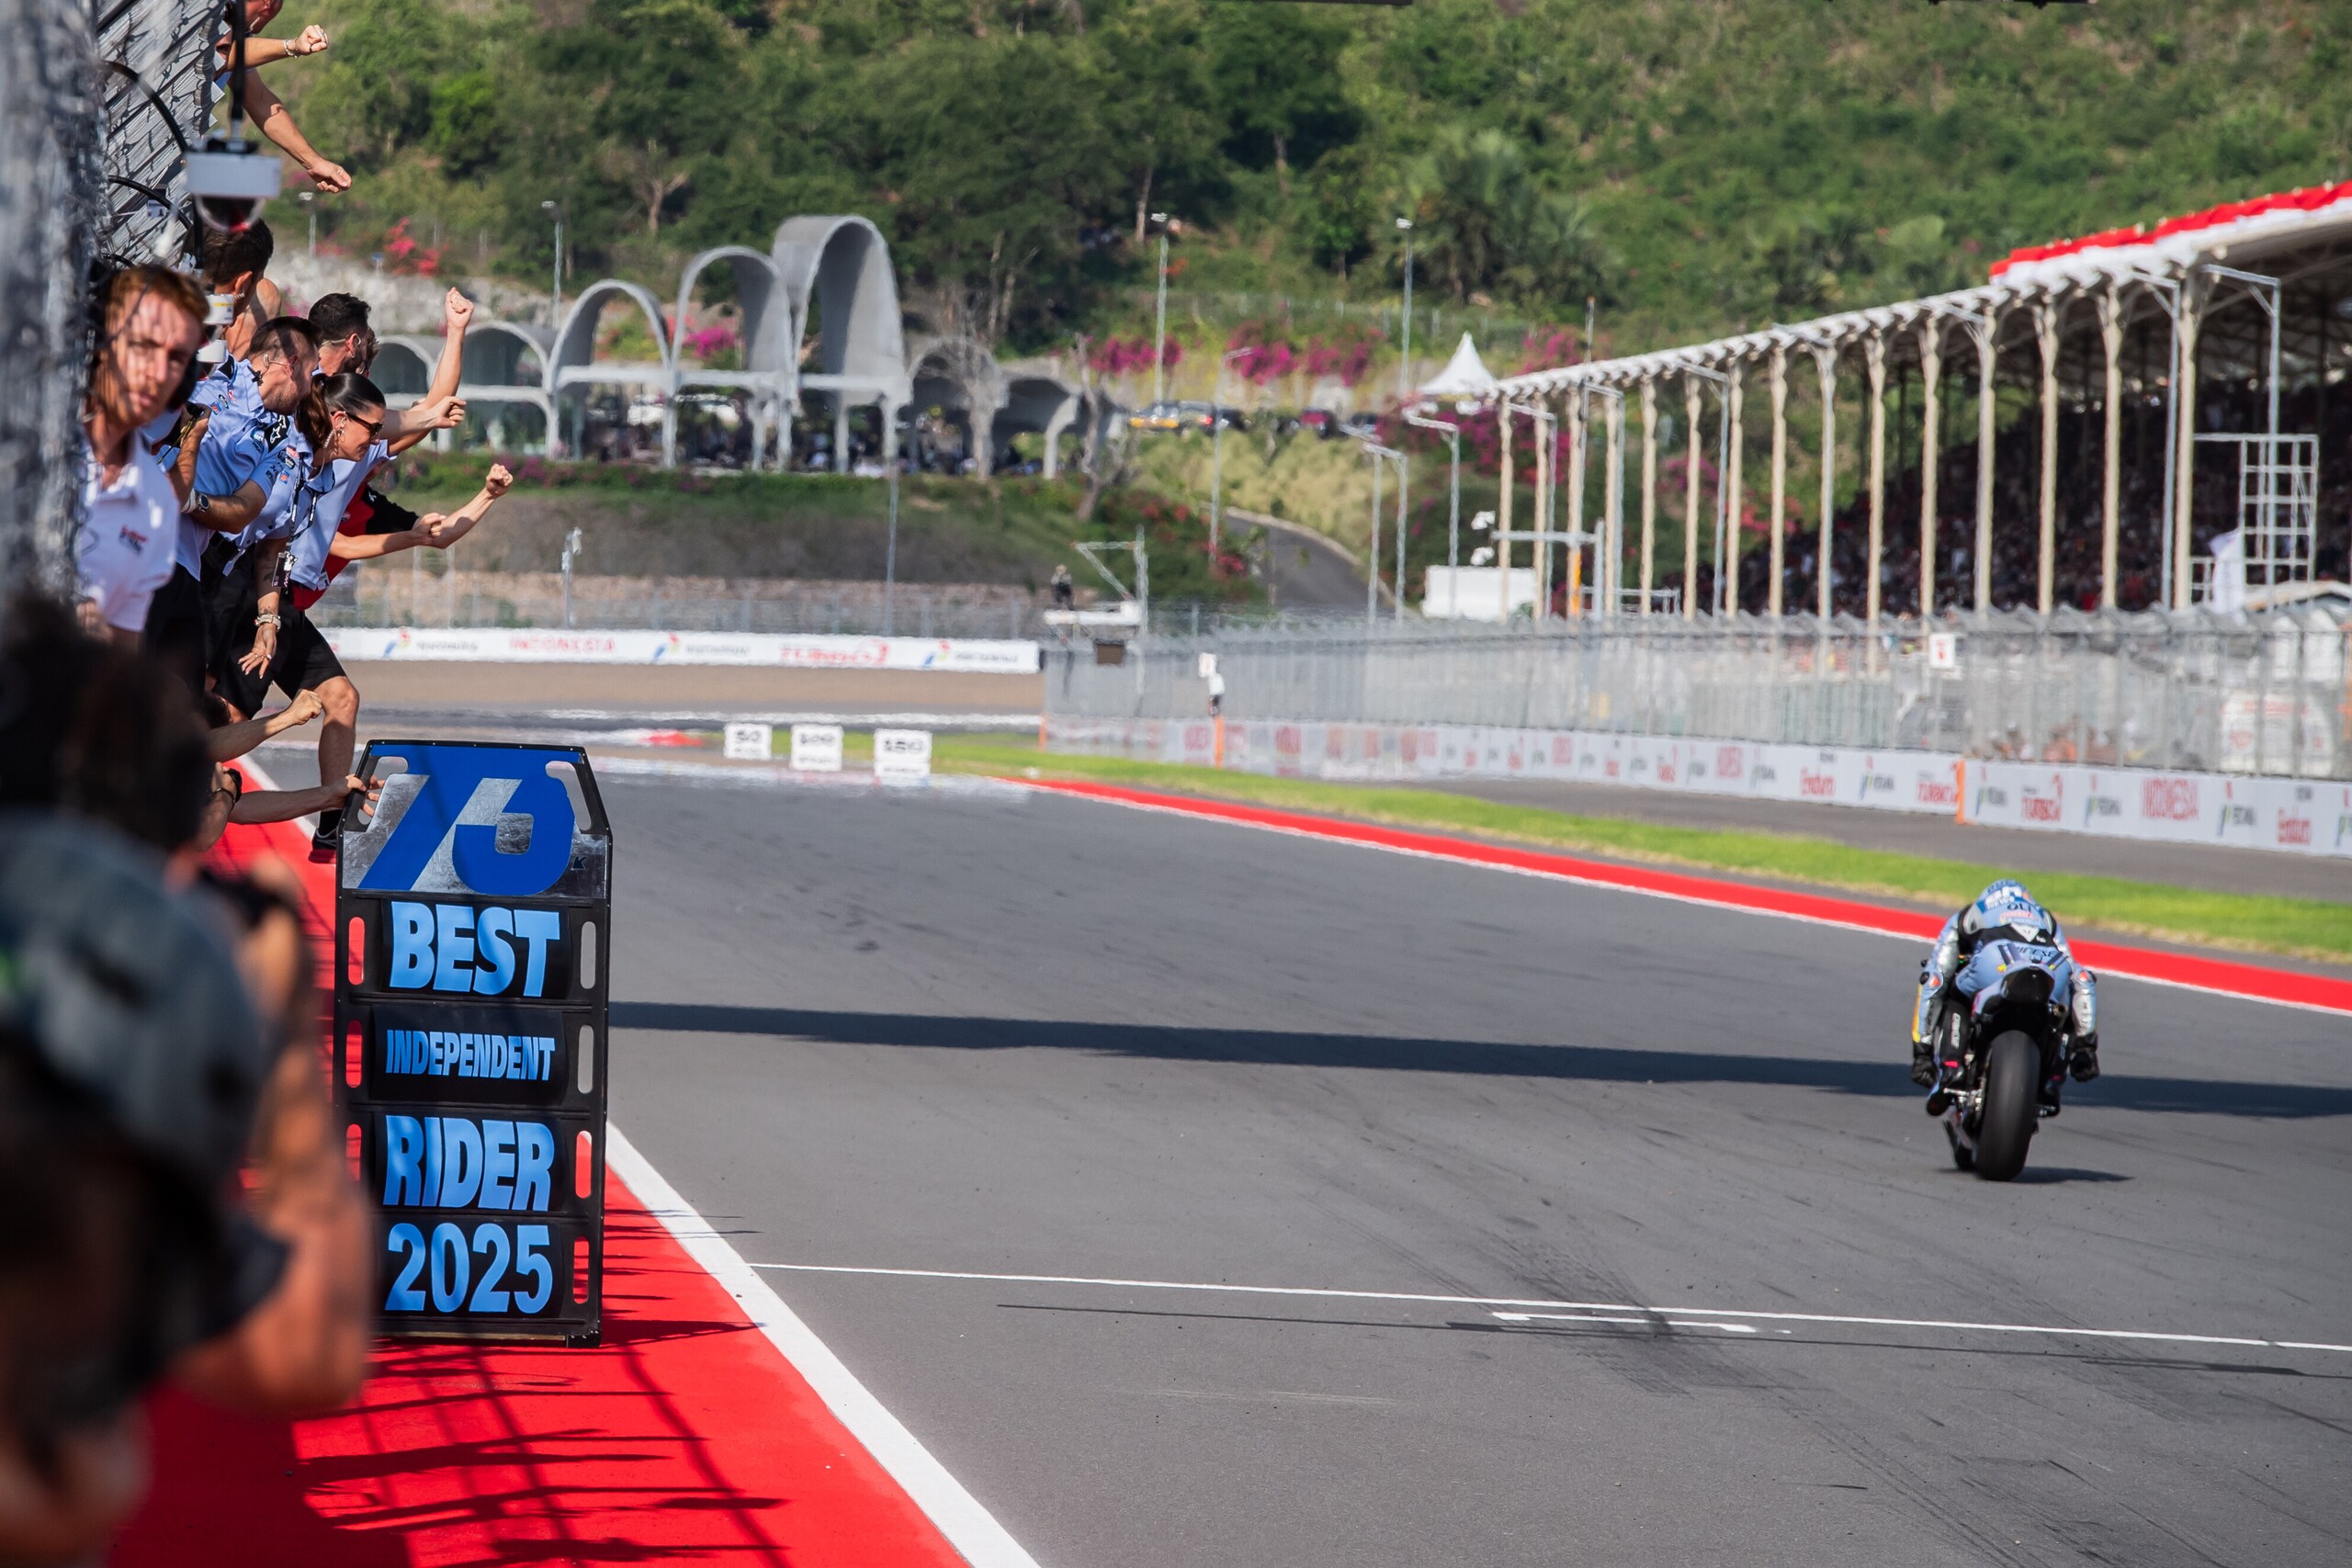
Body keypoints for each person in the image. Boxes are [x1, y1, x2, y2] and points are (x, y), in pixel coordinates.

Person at [208, 374, 468, 860]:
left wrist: (268, 623)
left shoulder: (326, 474)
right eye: (373, 429)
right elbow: (253, 529)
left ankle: (333, 821)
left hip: (270, 599)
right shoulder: (287, 449)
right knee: (213, 730)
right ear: (340, 418)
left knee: (340, 697)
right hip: (216, 588)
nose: (378, 441)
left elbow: (272, 550)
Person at [77, 268, 209, 651]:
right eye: (143, 346)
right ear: (98, 341)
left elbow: (122, 647)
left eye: (176, 359)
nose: (157, 373)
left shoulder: (156, 500)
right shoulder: (24, 445)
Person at [1911, 878, 2100, 1096]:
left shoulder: (1973, 911)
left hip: (1994, 960)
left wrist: (1921, 1054)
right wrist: (2086, 1047)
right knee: (2066, 998)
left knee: (1954, 993)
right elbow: (2077, 973)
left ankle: (1952, 1066)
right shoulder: (2045, 917)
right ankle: (2059, 1073)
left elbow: (1936, 974)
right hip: (2047, 965)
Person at [213, 0, 349, 193]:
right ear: (269, 4)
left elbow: (260, 101)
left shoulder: (238, 32)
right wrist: (293, 46)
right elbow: (220, 56)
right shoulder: (209, 12)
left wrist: (313, 162)